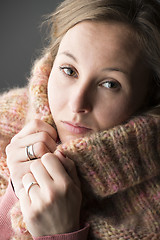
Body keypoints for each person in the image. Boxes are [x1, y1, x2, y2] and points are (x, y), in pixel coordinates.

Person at [0, 0, 160, 239]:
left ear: (148, 95)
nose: (77, 104)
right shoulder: (5, 123)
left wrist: (60, 234)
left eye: (109, 84)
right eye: (69, 70)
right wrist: (16, 190)